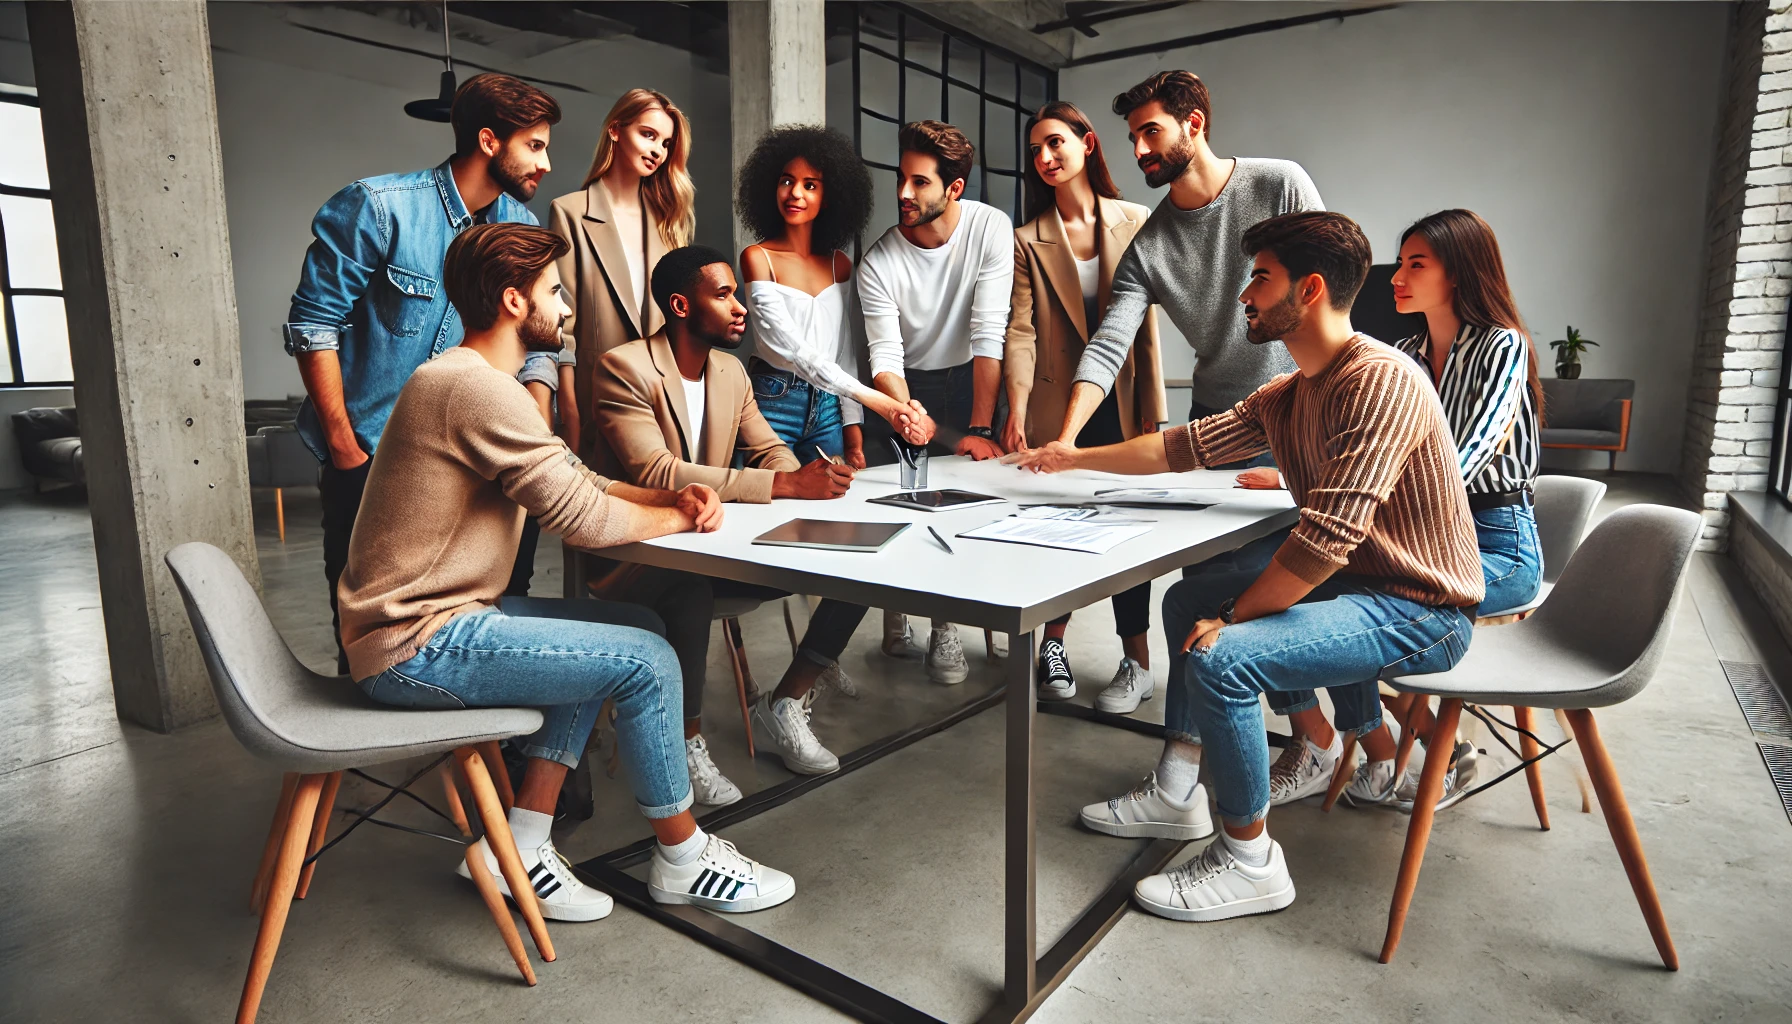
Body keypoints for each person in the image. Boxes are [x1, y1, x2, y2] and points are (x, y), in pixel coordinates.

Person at [1005, 211, 1482, 923]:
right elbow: (1178, 447)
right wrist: (1072, 455)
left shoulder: (1380, 379)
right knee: (1184, 600)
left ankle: (1248, 860)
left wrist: (1229, 622)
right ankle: (1175, 791)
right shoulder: (1289, 393)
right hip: (1360, 586)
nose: (1244, 296)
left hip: (1421, 607)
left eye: (1260, 278)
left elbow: (1324, 542)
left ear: (1311, 289)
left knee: (1223, 655)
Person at [340, 223, 794, 920]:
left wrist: (669, 497)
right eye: (554, 292)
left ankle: (518, 844)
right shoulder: (474, 389)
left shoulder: (475, 382)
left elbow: (573, 476)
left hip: (444, 620)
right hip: (416, 644)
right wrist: (685, 518)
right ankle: (682, 857)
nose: (566, 308)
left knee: (628, 625)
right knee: (644, 659)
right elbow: (581, 519)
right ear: (514, 301)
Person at [284, 73, 558, 674]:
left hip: (486, 459)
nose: (546, 161)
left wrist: (536, 426)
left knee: (506, 604)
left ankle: (495, 740)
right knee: (370, 632)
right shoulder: (380, 208)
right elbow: (313, 324)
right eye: (534, 145)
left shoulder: (524, 228)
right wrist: (342, 445)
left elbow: (536, 344)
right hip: (372, 454)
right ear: (489, 141)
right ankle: (365, 743)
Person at [587, 246, 871, 796]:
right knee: (688, 590)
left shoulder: (731, 371)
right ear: (680, 305)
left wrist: (805, 477)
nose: (740, 306)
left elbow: (768, 450)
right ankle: (685, 740)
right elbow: (658, 470)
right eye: (723, 295)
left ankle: (786, 701)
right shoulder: (623, 368)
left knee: (856, 557)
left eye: (736, 293)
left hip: (717, 543)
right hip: (640, 552)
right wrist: (785, 486)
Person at [1054, 71, 1323, 469]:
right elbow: (1108, 345)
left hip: (1302, 414)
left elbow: (1329, 286)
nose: (1139, 149)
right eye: (1133, 138)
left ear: (1192, 124)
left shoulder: (1281, 184)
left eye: (1151, 132)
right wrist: (1065, 441)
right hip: (1216, 427)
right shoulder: (1147, 248)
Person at [1005, 100, 1167, 712]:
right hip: (1055, 404)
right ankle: (1053, 645)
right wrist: (1016, 408)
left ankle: (1136, 661)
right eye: (1036, 150)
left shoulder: (1135, 219)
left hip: (1122, 401)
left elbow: (1145, 326)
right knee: (1057, 528)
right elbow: (1020, 332)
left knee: (1129, 531)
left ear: (1088, 143)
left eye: (1055, 143)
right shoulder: (1029, 239)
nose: (1045, 158)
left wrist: (1152, 402)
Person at [857, 119, 1015, 683]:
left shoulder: (991, 227)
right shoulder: (878, 263)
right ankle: (903, 610)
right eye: (902, 178)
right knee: (910, 505)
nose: (903, 193)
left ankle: (946, 624)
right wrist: (906, 412)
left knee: (964, 499)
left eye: (920, 182)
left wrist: (978, 427)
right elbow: (885, 356)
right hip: (904, 385)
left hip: (971, 377)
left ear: (954, 189)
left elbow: (988, 332)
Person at [735, 125, 930, 468]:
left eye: (810, 185)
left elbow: (844, 355)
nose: (795, 193)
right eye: (786, 181)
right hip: (773, 402)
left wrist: (853, 433)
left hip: (829, 408)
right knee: (772, 503)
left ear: (831, 196)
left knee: (833, 505)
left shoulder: (840, 264)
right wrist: (883, 405)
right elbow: (796, 352)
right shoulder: (757, 258)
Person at [549, 87, 697, 463]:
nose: (657, 151)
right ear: (616, 130)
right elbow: (561, 326)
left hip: (663, 397)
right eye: (647, 135)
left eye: (665, 143)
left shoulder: (671, 223)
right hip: (597, 398)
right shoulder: (569, 213)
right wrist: (568, 408)